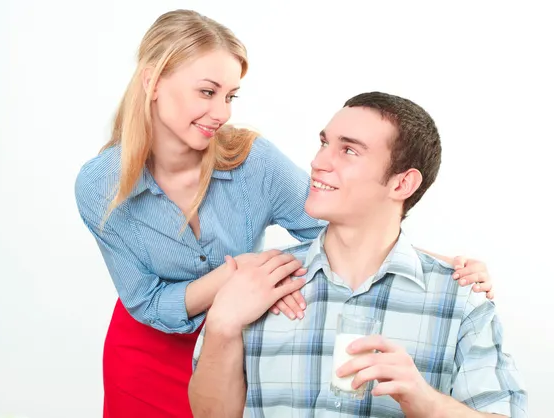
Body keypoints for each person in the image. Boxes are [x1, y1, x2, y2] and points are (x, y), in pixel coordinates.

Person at [75, 10, 494, 418]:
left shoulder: (251, 160)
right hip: (147, 353)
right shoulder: (99, 186)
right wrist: (240, 275)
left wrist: (438, 264)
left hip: (242, 338)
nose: (223, 113)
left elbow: (339, 230)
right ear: (152, 82)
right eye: (207, 92)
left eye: (230, 96)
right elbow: (146, 302)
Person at [189, 92, 526, 418]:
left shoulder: (460, 300)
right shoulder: (257, 281)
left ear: (402, 184)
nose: (318, 162)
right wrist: (222, 324)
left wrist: (423, 400)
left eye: (348, 150)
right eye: (324, 143)